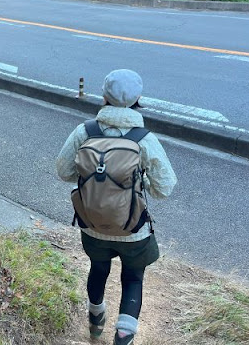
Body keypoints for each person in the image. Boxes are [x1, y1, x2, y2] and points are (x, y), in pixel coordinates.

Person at [56, 69, 177, 345]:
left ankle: (95, 320)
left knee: (99, 269)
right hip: (133, 230)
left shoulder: (85, 131)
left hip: (93, 225)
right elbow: (164, 188)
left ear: (104, 97)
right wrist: (139, 178)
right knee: (133, 277)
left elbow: (63, 171)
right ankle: (123, 338)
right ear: (139, 99)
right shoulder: (143, 139)